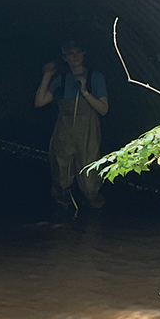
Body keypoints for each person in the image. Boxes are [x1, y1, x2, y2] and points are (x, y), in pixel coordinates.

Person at [34, 40, 108, 212]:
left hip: (88, 136)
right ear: (65, 58)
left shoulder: (95, 78)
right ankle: (63, 210)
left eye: (78, 52)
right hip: (64, 135)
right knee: (62, 176)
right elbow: (39, 102)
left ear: (84, 54)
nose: (75, 56)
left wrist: (85, 92)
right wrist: (47, 75)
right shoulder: (61, 79)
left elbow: (103, 110)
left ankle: (94, 208)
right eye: (70, 53)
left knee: (89, 182)